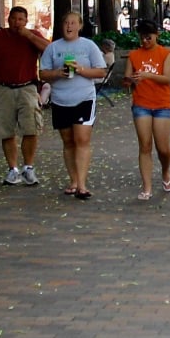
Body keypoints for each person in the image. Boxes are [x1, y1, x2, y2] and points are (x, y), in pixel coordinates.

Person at [0, 6, 51, 185]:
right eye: (13, 19)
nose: (16, 23)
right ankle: (12, 169)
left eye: (20, 19)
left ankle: (29, 167)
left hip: (27, 86)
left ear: (26, 21)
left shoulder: (32, 35)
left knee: (31, 127)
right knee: (6, 130)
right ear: (8, 19)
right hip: (3, 88)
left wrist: (29, 36)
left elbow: (49, 50)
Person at [40, 11, 107, 199]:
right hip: (61, 99)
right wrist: (56, 74)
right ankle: (74, 180)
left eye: (73, 23)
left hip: (84, 98)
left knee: (82, 139)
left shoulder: (89, 46)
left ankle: (83, 185)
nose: (69, 26)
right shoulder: (53, 48)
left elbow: (101, 72)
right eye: (66, 23)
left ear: (80, 26)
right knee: (68, 141)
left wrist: (82, 70)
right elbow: (42, 74)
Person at [125, 19, 170, 200]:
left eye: (149, 37)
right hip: (141, 104)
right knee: (145, 145)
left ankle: (165, 171)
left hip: (161, 104)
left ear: (156, 35)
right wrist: (131, 80)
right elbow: (127, 77)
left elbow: (167, 78)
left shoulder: (166, 54)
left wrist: (147, 75)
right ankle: (146, 187)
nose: (145, 41)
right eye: (142, 38)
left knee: (163, 148)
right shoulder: (134, 55)